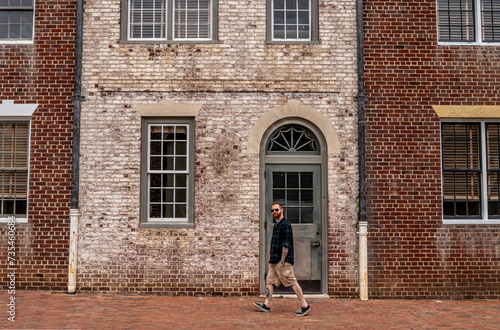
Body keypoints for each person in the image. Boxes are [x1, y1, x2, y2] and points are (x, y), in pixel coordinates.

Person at [253, 202, 311, 317]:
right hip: (274, 260)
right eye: (272, 210)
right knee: (269, 281)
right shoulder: (276, 225)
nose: (274, 212)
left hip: (282, 261)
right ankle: (266, 304)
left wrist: (283, 260)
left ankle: (305, 305)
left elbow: (286, 244)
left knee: (292, 282)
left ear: (281, 210)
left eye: (276, 210)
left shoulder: (285, 224)